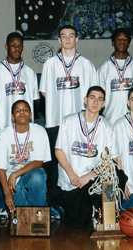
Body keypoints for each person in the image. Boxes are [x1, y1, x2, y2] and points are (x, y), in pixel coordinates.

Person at [40, 24, 98, 208]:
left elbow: (93, 93)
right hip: (56, 121)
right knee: (58, 162)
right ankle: (58, 201)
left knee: (79, 159)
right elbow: (44, 93)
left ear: (76, 39)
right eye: (63, 36)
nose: (67, 39)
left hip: (80, 122)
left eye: (71, 36)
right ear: (59, 40)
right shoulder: (50, 64)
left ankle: (81, 198)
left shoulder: (86, 64)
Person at [55, 86, 118, 228]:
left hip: (94, 178)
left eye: (100, 99)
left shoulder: (107, 127)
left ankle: (101, 212)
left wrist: (89, 176)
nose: (95, 102)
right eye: (92, 98)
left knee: (116, 174)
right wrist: (72, 175)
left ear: (104, 104)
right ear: (85, 100)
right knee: (78, 223)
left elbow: (111, 160)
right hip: (72, 179)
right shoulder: (68, 121)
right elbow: (59, 151)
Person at [0, 100, 51, 212]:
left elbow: (38, 162)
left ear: (31, 114)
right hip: (11, 184)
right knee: (21, 217)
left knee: (38, 175)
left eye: (25, 110)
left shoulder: (39, 131)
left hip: (29, 175)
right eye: (17, 110)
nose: (22, 113)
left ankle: (38, 214)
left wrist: (15, 174)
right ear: (12, 116)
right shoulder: (3, 135)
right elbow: (0, 167)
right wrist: (7, 194)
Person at [0, 32, 40, 136]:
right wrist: (0, 117)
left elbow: (33, 101)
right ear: (6, 47)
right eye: (13, 46)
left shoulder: (30, 73)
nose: (17, 49)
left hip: (24, 128)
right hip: (2, 127)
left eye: (19, 46)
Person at [97, 28, 133, 125]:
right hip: (110, 120)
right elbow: (99, 97)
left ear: (129, 44)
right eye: (119, 39)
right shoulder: (104, 68)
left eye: (125, 39)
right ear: (113, 43)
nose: (122, 41)